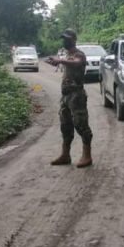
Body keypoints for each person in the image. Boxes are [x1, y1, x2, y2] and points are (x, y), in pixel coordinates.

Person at [46, 29, 93, 168]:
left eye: (67, 39)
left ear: (73, 39)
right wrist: (58, 62)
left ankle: (87, 155)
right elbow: (68, 62)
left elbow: (77, 62)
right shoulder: (68, 55)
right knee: (65, 126)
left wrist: (60, 60)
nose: (64, 41)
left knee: (81, 124)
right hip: (65, 96)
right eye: (63, 39)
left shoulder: (79, 54)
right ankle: (65, 154)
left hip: (76, 95)